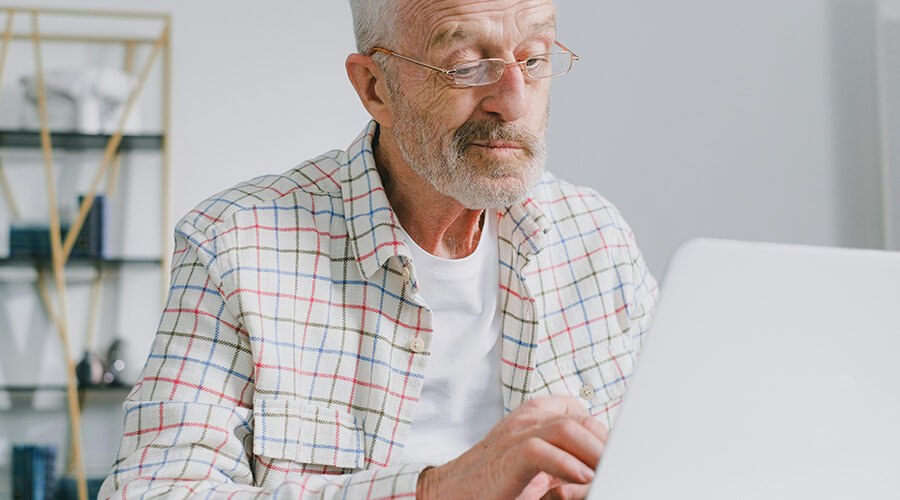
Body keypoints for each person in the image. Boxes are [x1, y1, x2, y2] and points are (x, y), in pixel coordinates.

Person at [98, 0, 658, 498]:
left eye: (533, 59)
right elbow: (154, 490)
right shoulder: (234, 246)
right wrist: (438, 491)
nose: (513, 102)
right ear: (374, 87)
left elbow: (677, 453)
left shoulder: (598, 238)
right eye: (467, 66)